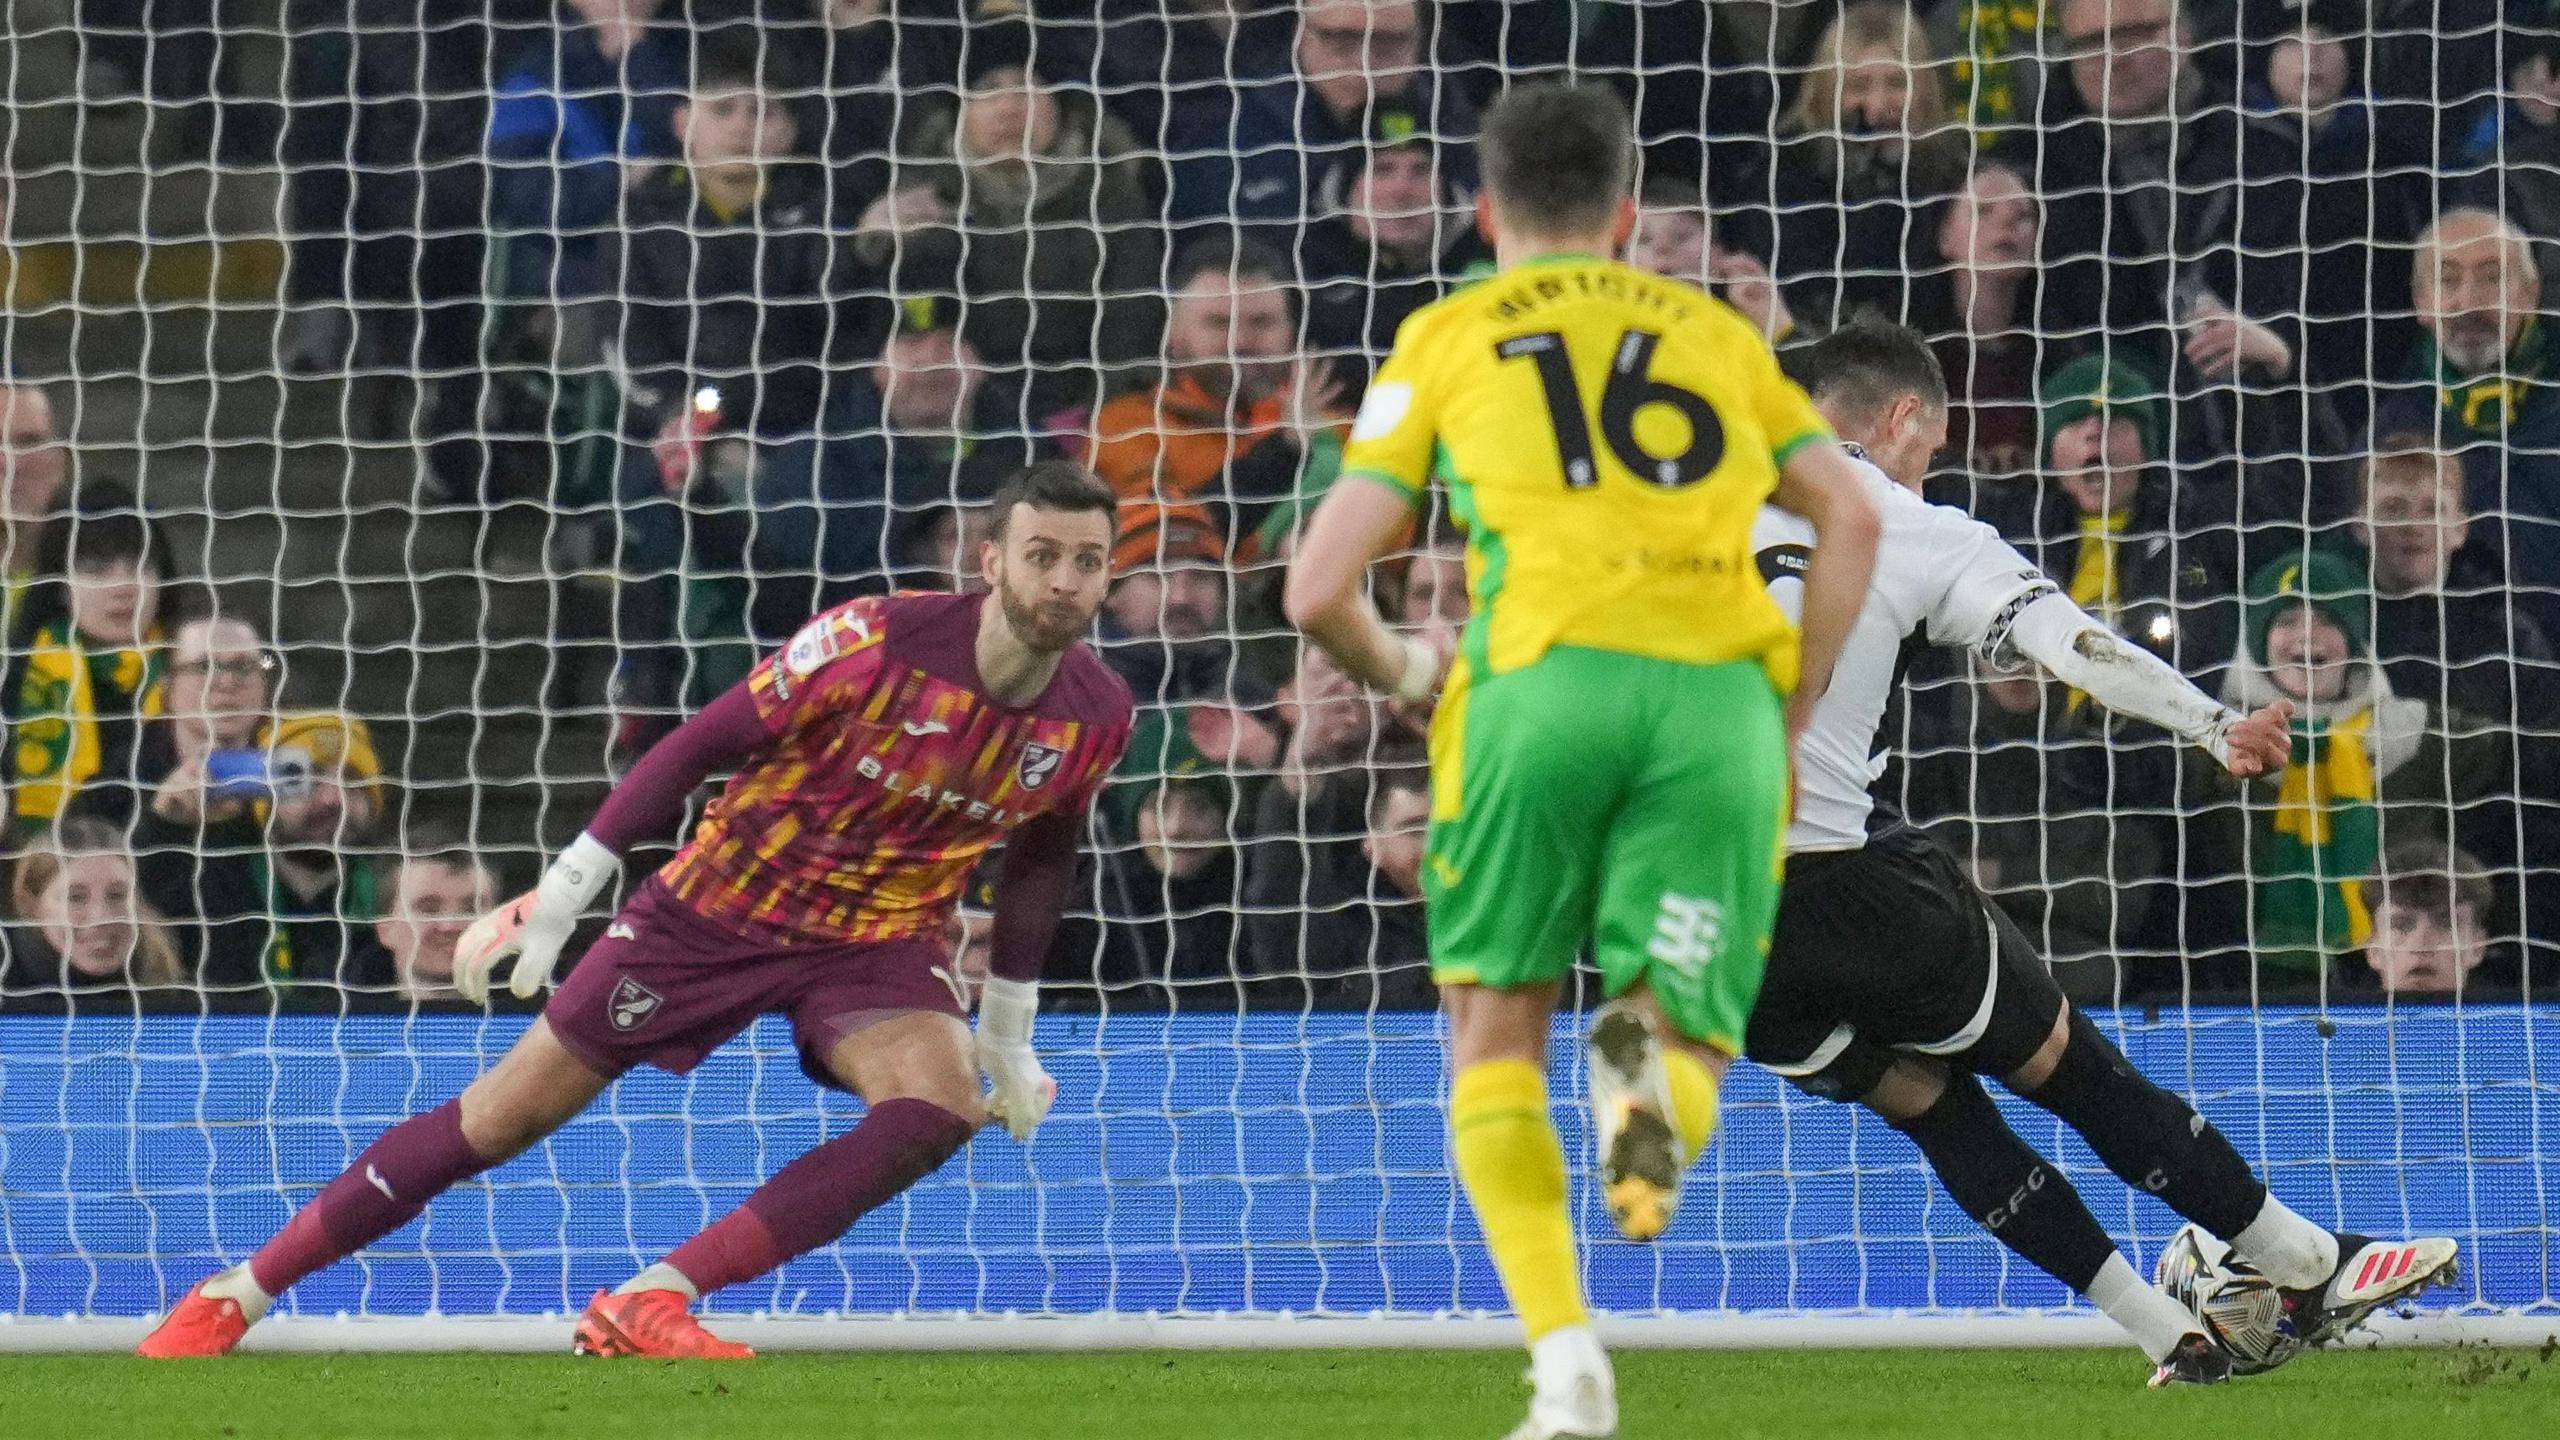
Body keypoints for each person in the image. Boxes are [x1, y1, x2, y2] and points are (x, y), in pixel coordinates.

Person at [136, 463, 1135, 1360]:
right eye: (1041, 554)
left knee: (940, 1104)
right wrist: (563, 895)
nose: (1063, 581)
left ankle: (659, 1296)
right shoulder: (873, 639)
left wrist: (1006, 1029)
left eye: (1086, 562)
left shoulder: (1097, 714)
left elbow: (1044, 851)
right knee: (500, 1118)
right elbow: (693, 746)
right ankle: (239, 1293)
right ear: (991, 558)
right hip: (717, 909)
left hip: (875, 937)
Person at [1284, 82, 1881, 1440]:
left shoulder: (1444, 334)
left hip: (1533, 693)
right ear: (1624, 218)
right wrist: (1784, 713)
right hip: (1713, 707)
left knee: (1495, 1031)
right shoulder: (1719, 334)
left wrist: (1412, 673)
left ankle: (1566, 1366)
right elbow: (1847, 514)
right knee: (1668, 1036)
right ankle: (1642, 1138)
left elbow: (1319, 588)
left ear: (1485, 211)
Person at [1744, 321, 2459, 1387]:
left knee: (1931, 1109)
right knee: (2068, 1071)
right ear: (1899, 420)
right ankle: (2304, 1263)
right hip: (1841, 881)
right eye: (1931, 449)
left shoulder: (1671, 506)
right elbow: (2070, 641)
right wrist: (2212, 724)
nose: (1927, 468)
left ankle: (2156, 1324)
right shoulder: (1902, 521)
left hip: (1691, 927)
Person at [7, 484, 177, 832]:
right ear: (60, 585)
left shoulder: (195, 664)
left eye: (141, 566)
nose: (123, 587)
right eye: (96, 569)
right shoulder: (15, 674)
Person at [0, 814, 189, 1002]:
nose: (101, 916)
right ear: (30, 906)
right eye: (75, 898)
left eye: (117, 895)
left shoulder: (184, 999)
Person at [341, 842, 504, 1007]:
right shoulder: (334, 1019)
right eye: (428, 909)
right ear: (385, 929)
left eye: (472, 908)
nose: (450, 925)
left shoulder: (530, 1019)